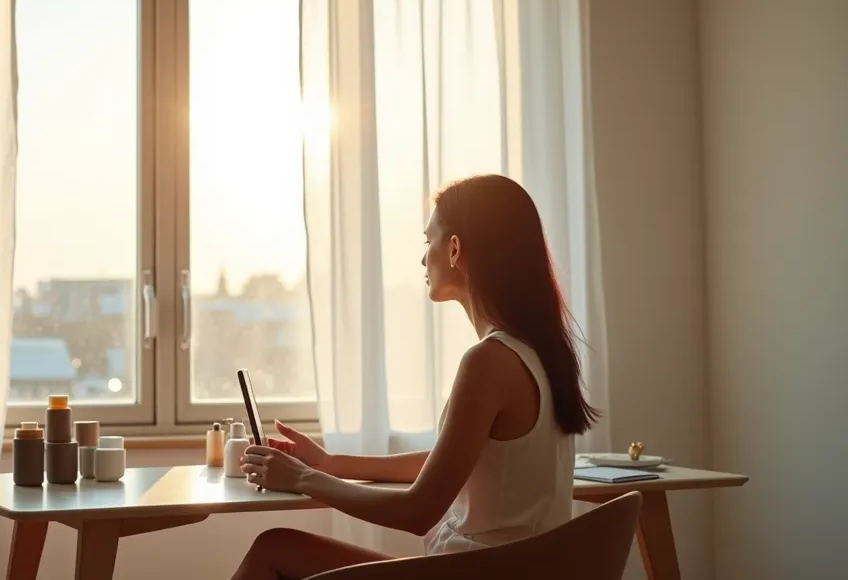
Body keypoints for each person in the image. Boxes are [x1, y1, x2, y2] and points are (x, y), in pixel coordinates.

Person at [232, 174, 599, 580]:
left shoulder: (488, 362)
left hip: (473, 572)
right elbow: (457, 464)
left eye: (430, 242)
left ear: (455, 248)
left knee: (273, 548)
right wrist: (329, 462)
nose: (425, 259)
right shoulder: (539, 353)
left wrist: (305, 478)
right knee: (277, 547)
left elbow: (418, 511)